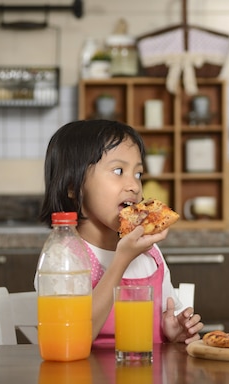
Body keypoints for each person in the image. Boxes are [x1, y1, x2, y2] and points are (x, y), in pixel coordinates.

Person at [38, 119, 203, 346]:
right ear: (72, 186)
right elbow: (71, 340)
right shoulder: (64, 256)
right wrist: (121, 260)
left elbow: (168, 316)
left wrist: (173, 331)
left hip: (147, 380)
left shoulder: (149, 254)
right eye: (118, 171)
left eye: (138, 174)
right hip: (88, 381)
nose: (134, 186)